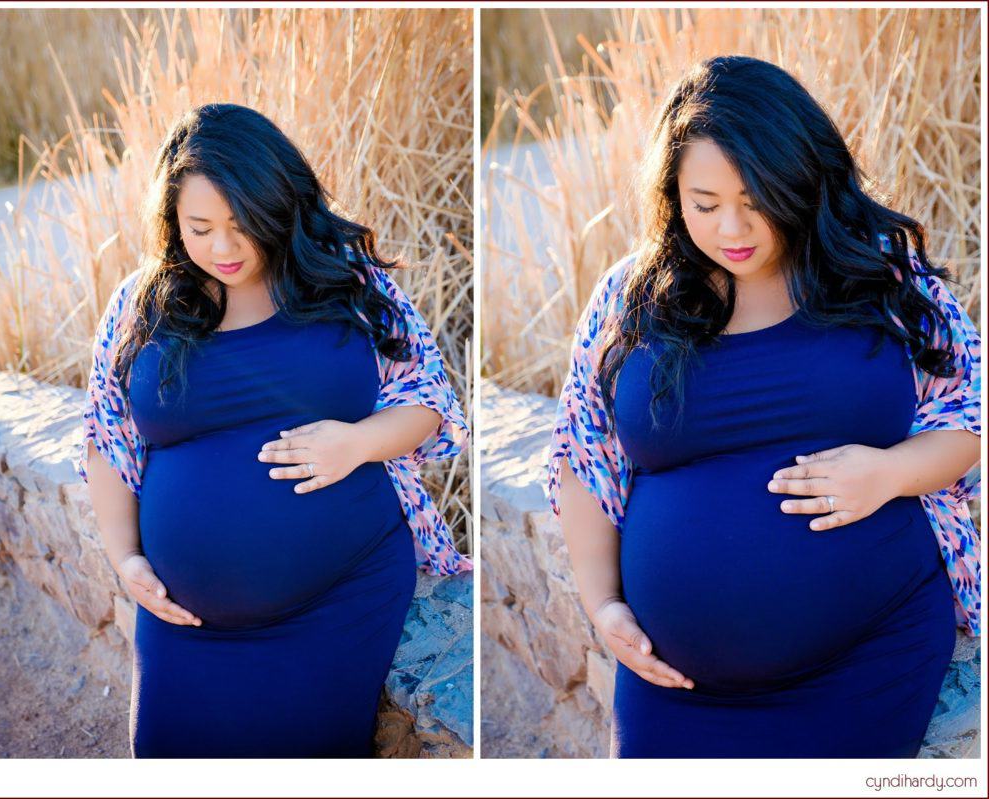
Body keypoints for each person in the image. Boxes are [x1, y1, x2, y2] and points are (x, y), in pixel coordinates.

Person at [546, 56, 980, 758]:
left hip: (863, 661)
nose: (732, 227)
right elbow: (583, 453)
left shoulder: (877, 276)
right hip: (674, 684)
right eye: (705, 203)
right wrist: (603, 604)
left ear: (800, 177)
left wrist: (891, 472)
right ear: (673, 194)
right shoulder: (632, 298)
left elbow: (970, 411)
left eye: (756, 198)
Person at [75, 103, 470, 758]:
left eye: (243, 224)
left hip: (335, 601)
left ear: (278, 203)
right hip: (183, 623)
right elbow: (106, 437)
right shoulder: (142, 306)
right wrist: (126, 559)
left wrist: (356, 442)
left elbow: (430, 399)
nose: (224, 248)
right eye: (200, 227)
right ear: (173, 220)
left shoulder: (345, 280)